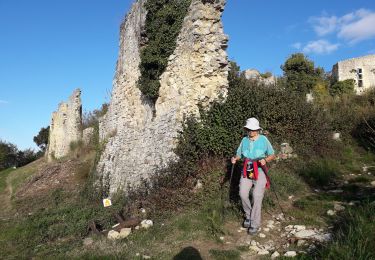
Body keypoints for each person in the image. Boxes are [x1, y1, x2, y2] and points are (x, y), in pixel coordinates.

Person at [231, 117, 275, 235]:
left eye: (253, 129)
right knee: (243, 193)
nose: (251, 131)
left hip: (260, 169)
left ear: (257, 130)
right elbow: (239, 154)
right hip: (247, 168)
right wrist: (235, 158)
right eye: (249, 129)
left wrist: (265, 160)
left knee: (256, 195)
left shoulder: (264, 139)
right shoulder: (244, 140)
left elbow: (272, 154)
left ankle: (255, 223)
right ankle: (249, 216)